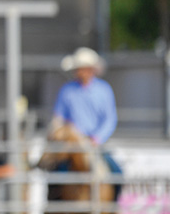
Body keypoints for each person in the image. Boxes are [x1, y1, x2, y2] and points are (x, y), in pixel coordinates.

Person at [52, 46, 122, 197]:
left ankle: (113, 209)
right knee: (57, 174)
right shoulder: (67, 91)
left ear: (91, 69)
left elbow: (110, 119)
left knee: (117, 173)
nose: (79, 72)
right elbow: (59, 118)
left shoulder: (103, 90)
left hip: (95, 143)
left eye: (82, 68)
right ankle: (53, 206)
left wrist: (97, 138)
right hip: (72, 145)